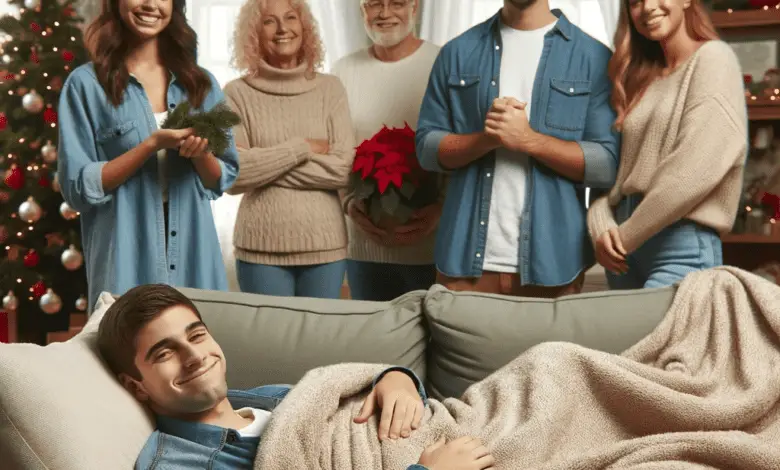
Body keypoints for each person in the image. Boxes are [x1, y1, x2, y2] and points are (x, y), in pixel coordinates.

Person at [97, 284, 496, 470]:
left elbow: (340, 396)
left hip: (453, 433)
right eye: (164, 353)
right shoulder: (175, 465)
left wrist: (394, 379)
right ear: (135, 385)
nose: (193, 356)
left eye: (197, 335)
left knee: (555, 363)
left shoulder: (270, 399)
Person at [415, 0, 620, 297]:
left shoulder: (593, 57)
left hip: (555, 266)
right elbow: (426, 148)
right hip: (462, 266)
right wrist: (489, 138)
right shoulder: (457, 52)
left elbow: (606, 164)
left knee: (551, 347)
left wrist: (528, 140)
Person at [57, 0, 238, 313]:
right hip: (125, 256)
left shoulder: (201, 83)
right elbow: (77, 188)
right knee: (124, 351)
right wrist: (149, 145)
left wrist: (199, 154)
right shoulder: (85, 85)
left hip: (195, 255)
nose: (151, 5)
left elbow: (221, 177)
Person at [587, 0, 747, 289]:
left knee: (662, 335)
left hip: (679, 244)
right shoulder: (637, 79)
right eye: (635, 2)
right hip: (624, 252)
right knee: (628, 336)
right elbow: (612, 172)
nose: (647, 7)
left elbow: (694, 172)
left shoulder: (713, 59)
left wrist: (625, 237)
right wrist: (601, 224)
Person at [224, 0, 354, 299]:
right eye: (269, 21)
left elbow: (344, 169)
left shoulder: (330, 89)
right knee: (269, 345)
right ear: (254, 31)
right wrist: (303, 147)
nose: (283, 28)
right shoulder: (236, 93)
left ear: (304, 26)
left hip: (325, 245)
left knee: (320, 343)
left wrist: (263, 160)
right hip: (259, 248)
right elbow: (235, 174)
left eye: (291, 18)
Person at [332, 0, 444, 301]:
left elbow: (460, 147)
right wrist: (347, 203)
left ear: (415, 7)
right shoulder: (342, 70)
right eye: (374, 4)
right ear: (361, 11)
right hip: (363, 243)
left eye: (396, 2)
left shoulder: (442, 62)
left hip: (430, 243)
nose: (384, 13)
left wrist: (442, 210)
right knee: (372, 344)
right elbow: (335, 149)